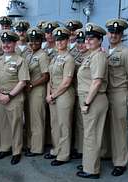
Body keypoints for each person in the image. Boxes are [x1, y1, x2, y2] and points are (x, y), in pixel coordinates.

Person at [0, 30, 30, 165]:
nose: (6, 45)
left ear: (15, 43)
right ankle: (4, 148)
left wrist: (9, 95)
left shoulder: (20, 60)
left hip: (14, 97)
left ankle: (16, 151)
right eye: (4, 42)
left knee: (16, 125)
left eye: (9, 42)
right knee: (2, 124)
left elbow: (22, 82)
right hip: (0, 97)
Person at [76, 23, 108, 179]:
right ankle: (88, 162)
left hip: (94, 100)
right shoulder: (92, 55)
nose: (87, 41)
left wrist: (87, 103)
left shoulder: (98, 56)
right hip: (90, 99)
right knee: (89, 134)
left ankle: (92, 170)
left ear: (100, 40)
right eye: (86, 38)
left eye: (92, 38)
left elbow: (97, 81)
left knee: (92, 135)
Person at [45, 27, 75, 166]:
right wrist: (48, 94)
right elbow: (50, 78)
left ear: (67, 41)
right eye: (57, 40)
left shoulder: (69, 59)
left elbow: (66, 82)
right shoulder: (55, 57)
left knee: (64, 125)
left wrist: (53, 95)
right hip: (53, 95)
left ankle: (64, 155)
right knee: (55, 125)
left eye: (62, 39)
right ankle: (57, 149)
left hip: (63, 95)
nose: (59, 42)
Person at [105, 18, 128, 176]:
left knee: (119, 130)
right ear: (107, 33)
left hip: (119, 93)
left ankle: (120, 162)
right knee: (107, 127)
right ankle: (108, 154)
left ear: (121, 35)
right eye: (111, 32)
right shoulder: (104, 51)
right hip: (105, 94)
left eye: (117, 32)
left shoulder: (126, 52)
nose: (113, 35)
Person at [24, 27, 50, 157]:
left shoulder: (43, 55)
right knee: (29, 119)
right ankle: (30, 144)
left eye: (37, 41)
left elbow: (46, 76)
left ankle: (37, 148)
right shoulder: (29, 55)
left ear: (41, 41)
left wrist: (32, 84)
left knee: (37, 120)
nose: (33, 43)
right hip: (29, 90)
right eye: (31, 41)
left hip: (37, 90)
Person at [71, 29, 90, 159]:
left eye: (83, 42)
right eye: (78, 42)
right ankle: (79, 148)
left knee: (86, 125)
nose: (80, 45)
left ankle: (85, 152)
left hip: (87, 94)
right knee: (79, 123)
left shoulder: (93, 55)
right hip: (77, 92)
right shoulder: (75, 54)